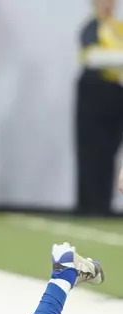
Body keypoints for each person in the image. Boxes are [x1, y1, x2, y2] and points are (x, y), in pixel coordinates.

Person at [76, 0, 123, 216]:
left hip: (115, 93)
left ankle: (104, 205)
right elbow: (93, 57)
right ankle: (89, 205)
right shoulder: (92, 27)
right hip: (94, 92)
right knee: (91, 151)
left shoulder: (117, 28)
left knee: (109, 150)